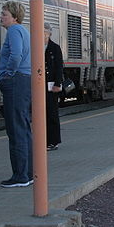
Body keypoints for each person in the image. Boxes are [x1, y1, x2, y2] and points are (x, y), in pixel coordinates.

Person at [0, 1, 33, 188]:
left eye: (4, 14)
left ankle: (20, 176)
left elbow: (16, 55)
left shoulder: (13, 31)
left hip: (15, 82)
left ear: (14, 17)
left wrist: (6, 74)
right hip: (24, 81)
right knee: (24, 127)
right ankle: (28, 172)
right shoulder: (24, 31)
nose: (1, 17)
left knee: (15, 129)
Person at [43, 23, 64, 151]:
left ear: (50, 33)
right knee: (41, 114)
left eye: (46, 31)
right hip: (39, 85)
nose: (43, 33)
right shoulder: (36, 46)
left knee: (52, 112)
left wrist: (57, 84)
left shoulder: (55, 48)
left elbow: (59, 67)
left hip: (51, 86)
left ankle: (53, 141)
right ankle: (43, 140)